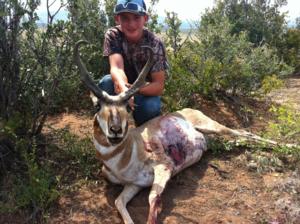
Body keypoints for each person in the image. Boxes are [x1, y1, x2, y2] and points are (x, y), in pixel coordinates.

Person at [99, 0, 168, 126]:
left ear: (145, 18)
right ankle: (111, 125)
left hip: (143, 89)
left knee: (151, 106)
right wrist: (123, 88)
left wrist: (133, 91)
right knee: (106, 83)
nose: (131, 24)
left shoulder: (155, 43)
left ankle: (142, 129)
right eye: (125, 18)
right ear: (117, 19)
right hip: (121, 85)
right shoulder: (113, 35)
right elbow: (117, 68)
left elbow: (158, 85)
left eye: (136, 17)